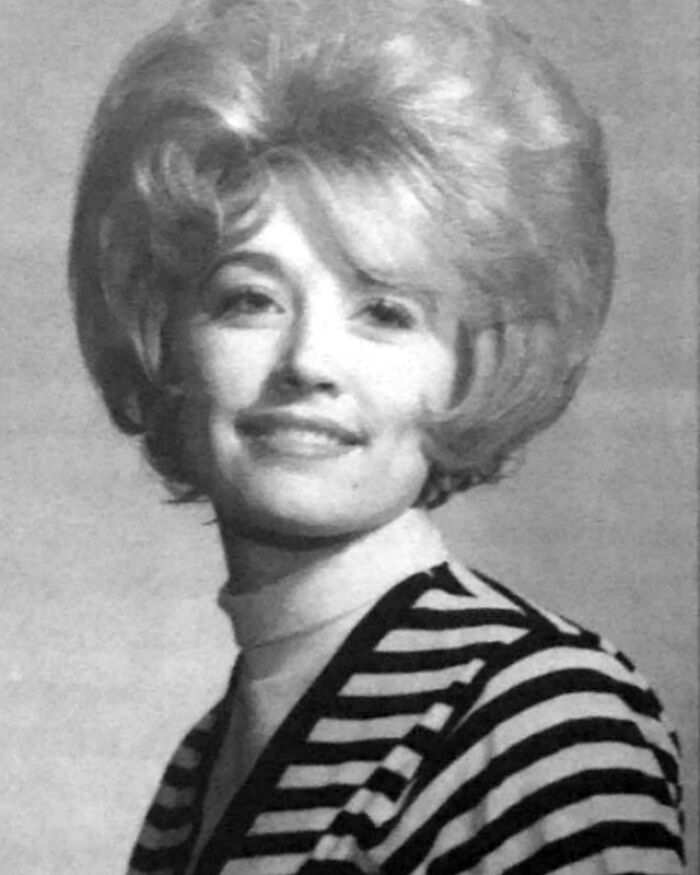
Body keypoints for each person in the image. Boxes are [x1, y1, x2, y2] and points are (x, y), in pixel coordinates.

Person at [69, 0, 685, 872]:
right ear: (166, 337)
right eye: (250, 298)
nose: (308, 362)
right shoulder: (200, 768)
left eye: (386, 311)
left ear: (472, 365)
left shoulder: (538, 719)